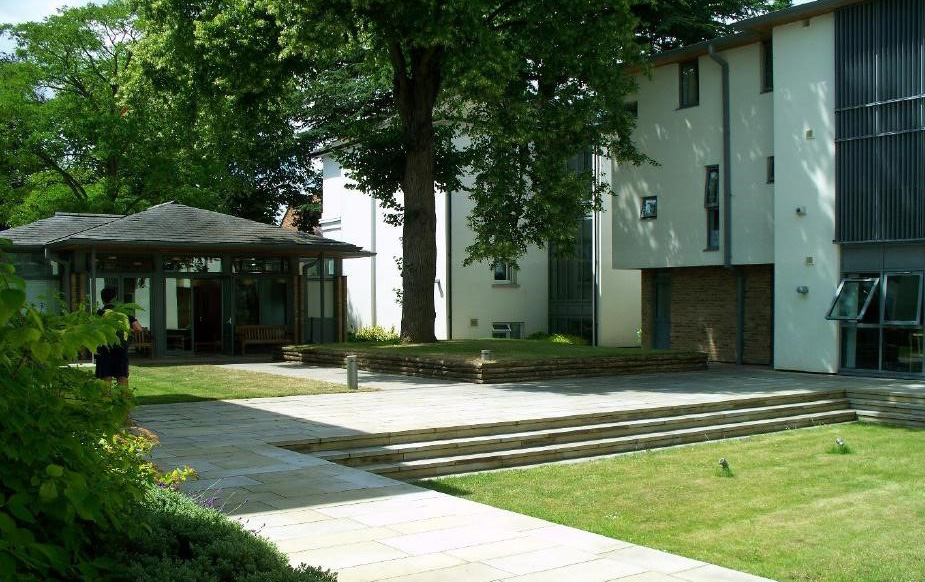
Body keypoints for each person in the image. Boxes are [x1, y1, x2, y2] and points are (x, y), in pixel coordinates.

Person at [96, 286, 143, 390]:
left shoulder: (100, 313)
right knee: (122, 378)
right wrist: (126, 330)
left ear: (102, 299)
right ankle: (124, 402)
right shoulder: (123, 313)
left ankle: (107, 402)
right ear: (115, 298)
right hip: (121, 350)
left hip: (105, 350)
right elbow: (138, 328)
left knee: (105, 379)